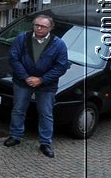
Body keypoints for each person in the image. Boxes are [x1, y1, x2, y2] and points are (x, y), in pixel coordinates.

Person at [5, 14, 70, 158]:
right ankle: (15, 136)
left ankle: (45, 143)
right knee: (18, 109)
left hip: (46, 85)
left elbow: (61, 67)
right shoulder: (22, 38)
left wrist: (41, 80)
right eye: (36, 25)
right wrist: (26, 77)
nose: (39, 28)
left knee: (46, 113)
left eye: (43, 26)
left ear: (50, 28)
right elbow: (13, 58)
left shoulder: (59, 44)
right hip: (23, 81)